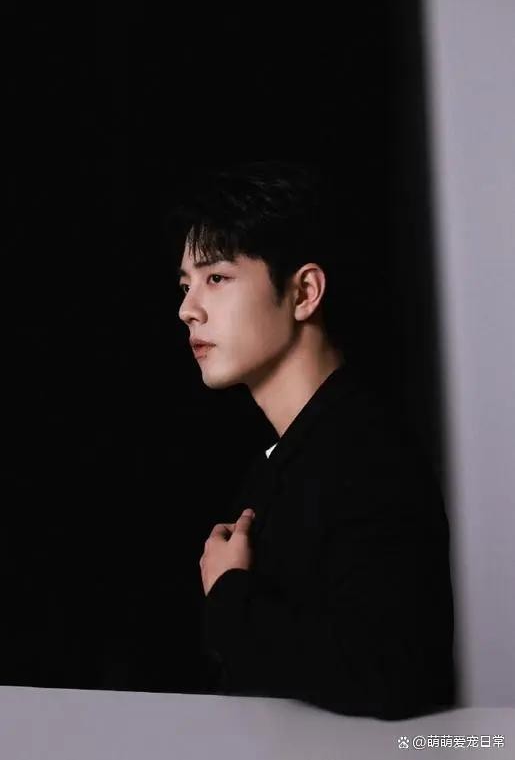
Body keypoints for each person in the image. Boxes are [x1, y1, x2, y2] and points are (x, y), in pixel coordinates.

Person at [174, 161, 455, 719]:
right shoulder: (279, 465)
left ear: (304, 292)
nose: (187, 309)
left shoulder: (368, 457)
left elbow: (390, 677)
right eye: (186, 285)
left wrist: (230, 594)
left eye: (216, 278)